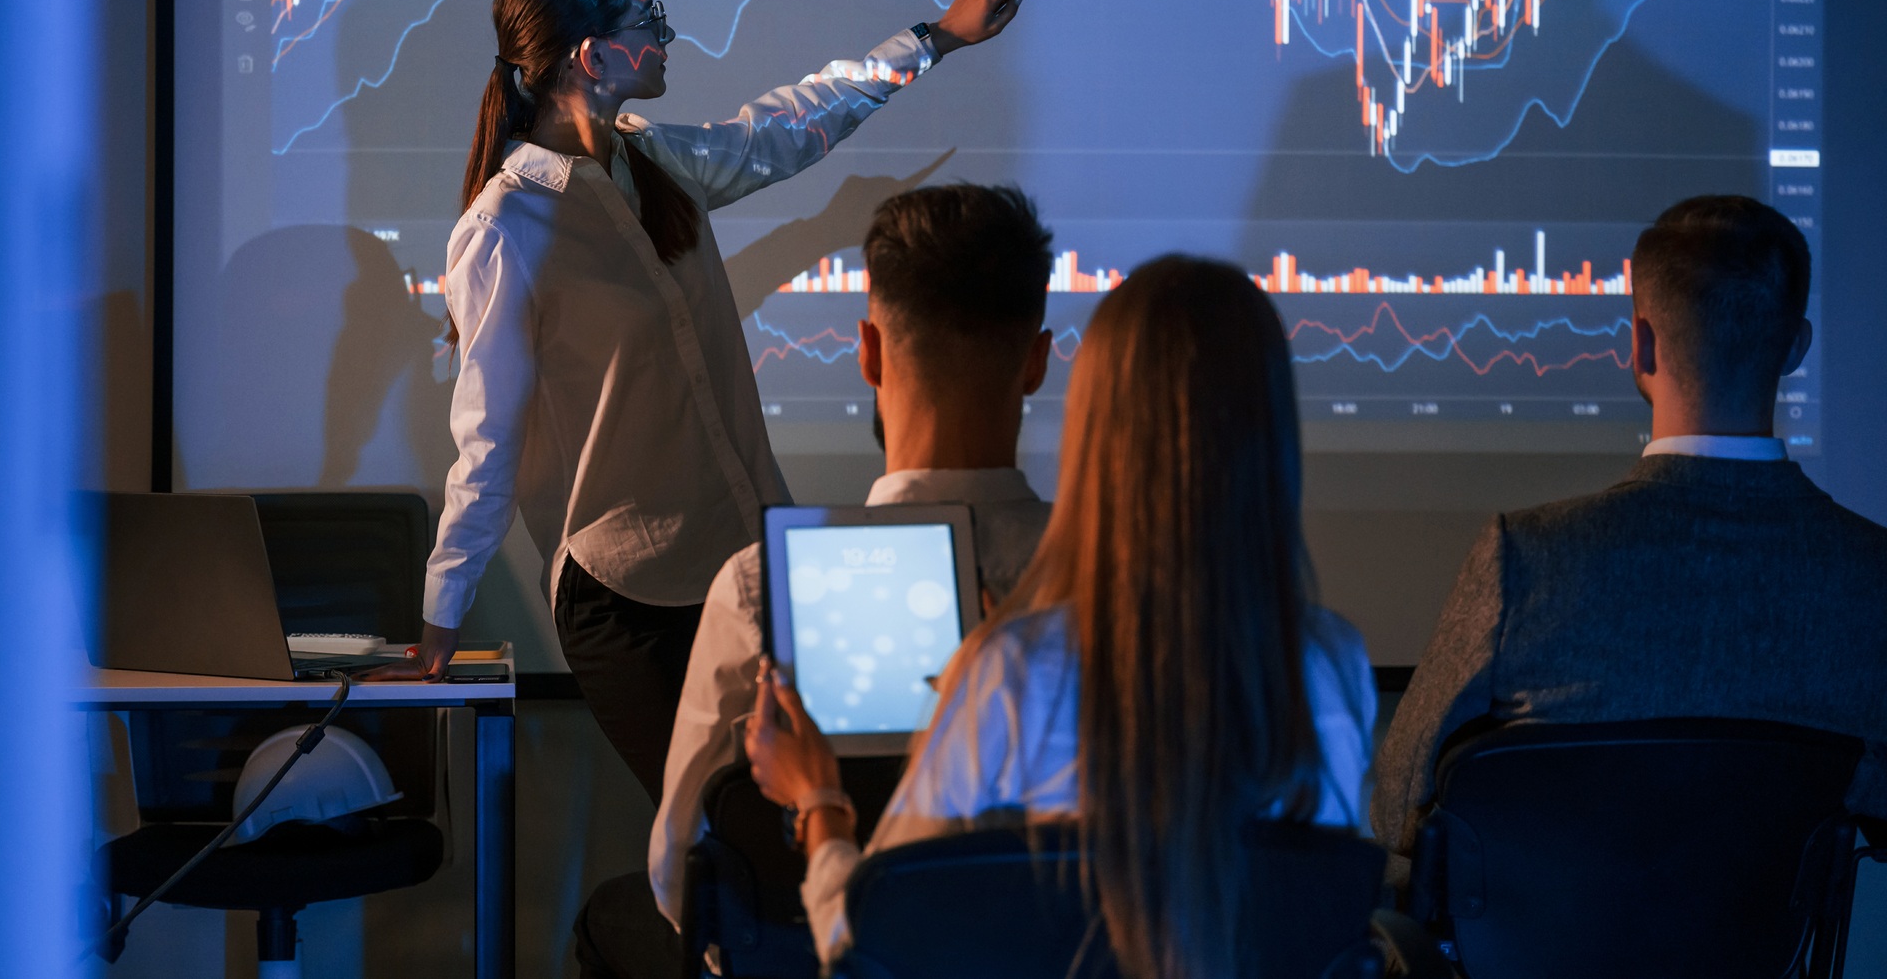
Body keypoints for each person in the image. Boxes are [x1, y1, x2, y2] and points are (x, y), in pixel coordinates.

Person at [369, 0, 1037, 810]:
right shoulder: (508, 227)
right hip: (625, 595)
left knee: (811, 823)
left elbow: (785, 128)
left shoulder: (652, 162)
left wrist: (935, 37)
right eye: (648, 21)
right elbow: (486, 442)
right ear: (593, 55)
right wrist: (441, 615)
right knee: (720, 841)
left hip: (746, 561)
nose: (667, 36)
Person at [747, 256, 1378, 974]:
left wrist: (820, 799)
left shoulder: (1014, 674)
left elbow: (867, 950)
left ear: (1095, 432)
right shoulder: (1335, 665)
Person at [569, 183, 1059, 977]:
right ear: (1036, 361)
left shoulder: (764, 586)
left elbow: (680, 878)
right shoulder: (1123, 580)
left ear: (867, 352)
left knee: (616, 919)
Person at [1371, 195, 1887, 855]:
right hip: (1763, 955)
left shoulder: (1525, 559)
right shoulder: (1871, 577)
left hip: (1543, 955)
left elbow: (1397, 804)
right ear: (1795, 348)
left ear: (1640, 344)